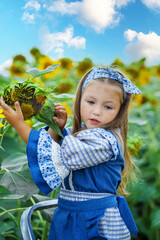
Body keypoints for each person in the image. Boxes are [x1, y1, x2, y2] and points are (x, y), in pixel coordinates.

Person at [0, 67, 141, 240]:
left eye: (108, 106)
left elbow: (63, 155)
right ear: (79, 100)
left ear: (120, 111)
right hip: (70, 216)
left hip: (95, 221)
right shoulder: (81, 132)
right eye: (90, 102)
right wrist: (56, 130)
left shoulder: (104, 142)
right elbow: (53, 147)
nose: (97, 111)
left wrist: (19, 125)